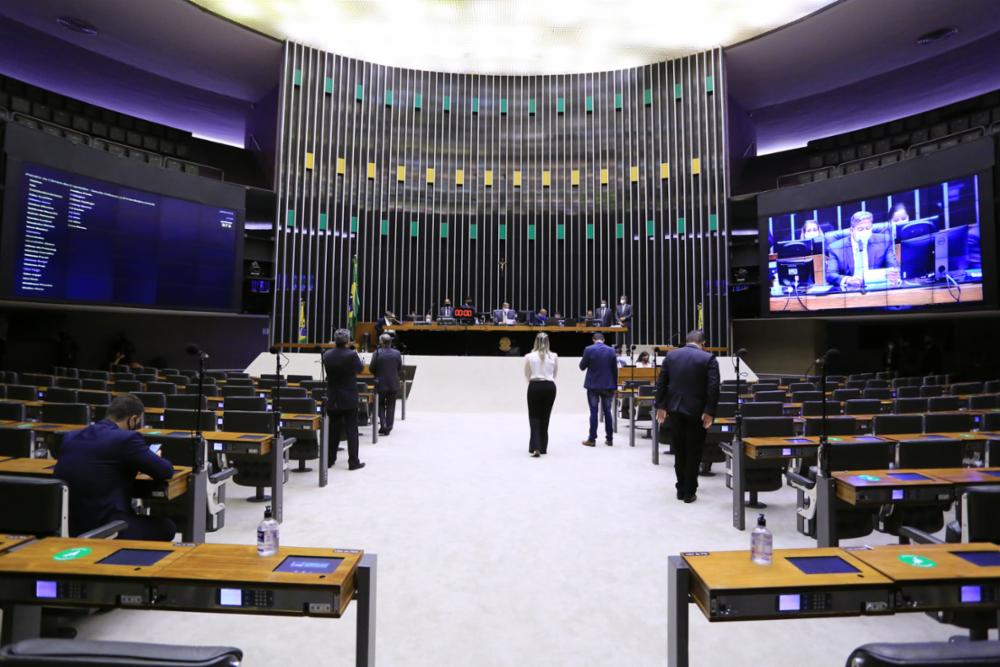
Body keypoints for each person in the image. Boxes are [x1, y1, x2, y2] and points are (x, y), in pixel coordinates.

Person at [54, 395, 176, 540]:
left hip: (69, 525)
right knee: (167, 527)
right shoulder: (128, 439)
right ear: (133, 420)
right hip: (108, 525)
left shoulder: (71, 436)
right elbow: (165, 471)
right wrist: (154, 458)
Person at [655, 330, 720, 503]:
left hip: (675, 410)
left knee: (680, 450)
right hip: (697, 412)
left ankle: (680, 488)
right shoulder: (708, 358)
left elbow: (661, 382)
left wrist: (661, 406)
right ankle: (689, 492)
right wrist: (709, 411)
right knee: (694, 450)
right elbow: (713, 388)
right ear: (703, 343)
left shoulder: (671, 356)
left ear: (686, 341)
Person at [322, 328, 365, 470]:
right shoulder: (352, 354)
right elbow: (359, 369)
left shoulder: (326, 354)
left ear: (335, 340)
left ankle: (329, 459)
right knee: (351, 430)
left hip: (333, 396)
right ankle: (353, 462)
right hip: (349, 396)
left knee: (333, 430)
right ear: (347, 340)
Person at [825, 211, 900, 290]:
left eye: (868, 228)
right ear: (851, 230)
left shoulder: (884, 241)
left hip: (877, 288)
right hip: (851, 290)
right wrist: (847, 279)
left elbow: (893, 266)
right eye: (860, 229)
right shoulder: (836, 247)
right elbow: (830, 274)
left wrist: (893, 273)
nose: (865, 232)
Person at [579, 332, 618, 447]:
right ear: (604, 340)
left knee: (594, 412)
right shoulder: (611, 351)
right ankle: (610, 439)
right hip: (608, 386)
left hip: (593, 386)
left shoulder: (588, 349)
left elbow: (582, 367)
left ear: (593, 339)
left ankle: (592, 439)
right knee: (608, 412)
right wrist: (615, 387)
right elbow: (615, 370)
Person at [524, 333, 558, 457]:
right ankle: (543, 446)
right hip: (550, 387)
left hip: (535, 386)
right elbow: (555, 374)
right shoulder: (554, 356)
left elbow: (527, 374)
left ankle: (535, 446)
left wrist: (534, 383)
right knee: (545, 416)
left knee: (534, 417)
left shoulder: (529, 356)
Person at [369, 334, 402, 436]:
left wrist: (377, 374)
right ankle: (388, 427)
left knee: (380, 404)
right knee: (391, 405)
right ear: (390, 342)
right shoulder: (397, 353)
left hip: (380, 383)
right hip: (393, 383)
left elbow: (371, 368)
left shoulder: (377, 353)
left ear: (381, 342)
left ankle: (383, 424)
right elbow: (399, 368)